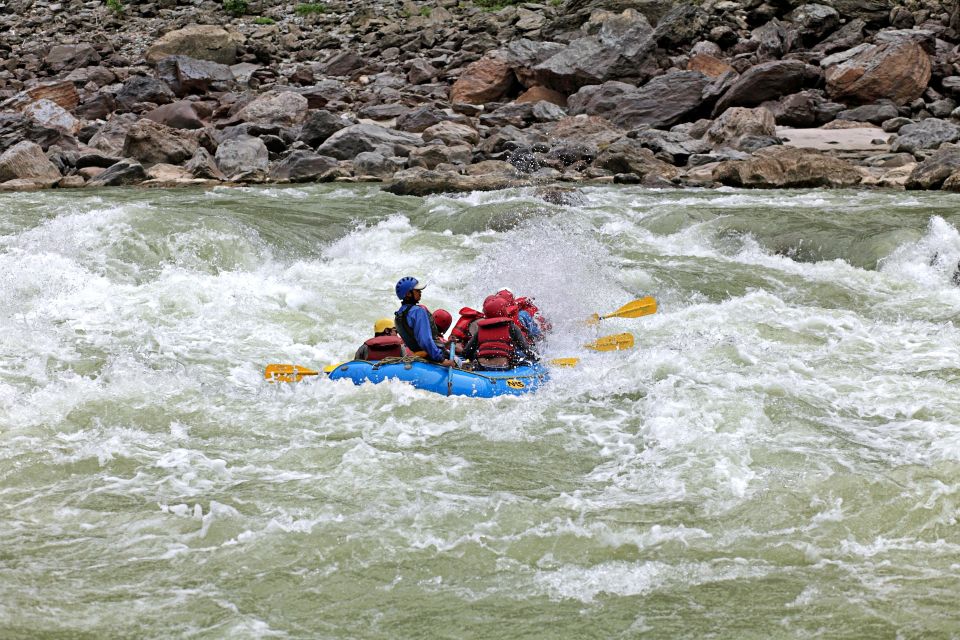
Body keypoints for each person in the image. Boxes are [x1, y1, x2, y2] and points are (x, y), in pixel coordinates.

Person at [462, 295, 538, 370]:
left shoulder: (481, 329)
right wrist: (536, 358)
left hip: (482, 366)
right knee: (522, 358)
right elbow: (525, 349)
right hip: (503, 366)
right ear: (503, 311)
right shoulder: (511, 327)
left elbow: (467, 352)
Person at [394, 277, 456, 366]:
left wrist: (445, 344)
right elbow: (425, 340)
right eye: (417, 291)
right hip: (433, 357)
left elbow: (415, 340)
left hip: (419, 356)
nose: (420, 292)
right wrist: (442, 360)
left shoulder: (398, 314)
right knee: (459, 363)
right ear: (408, 294)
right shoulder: (418, 311)